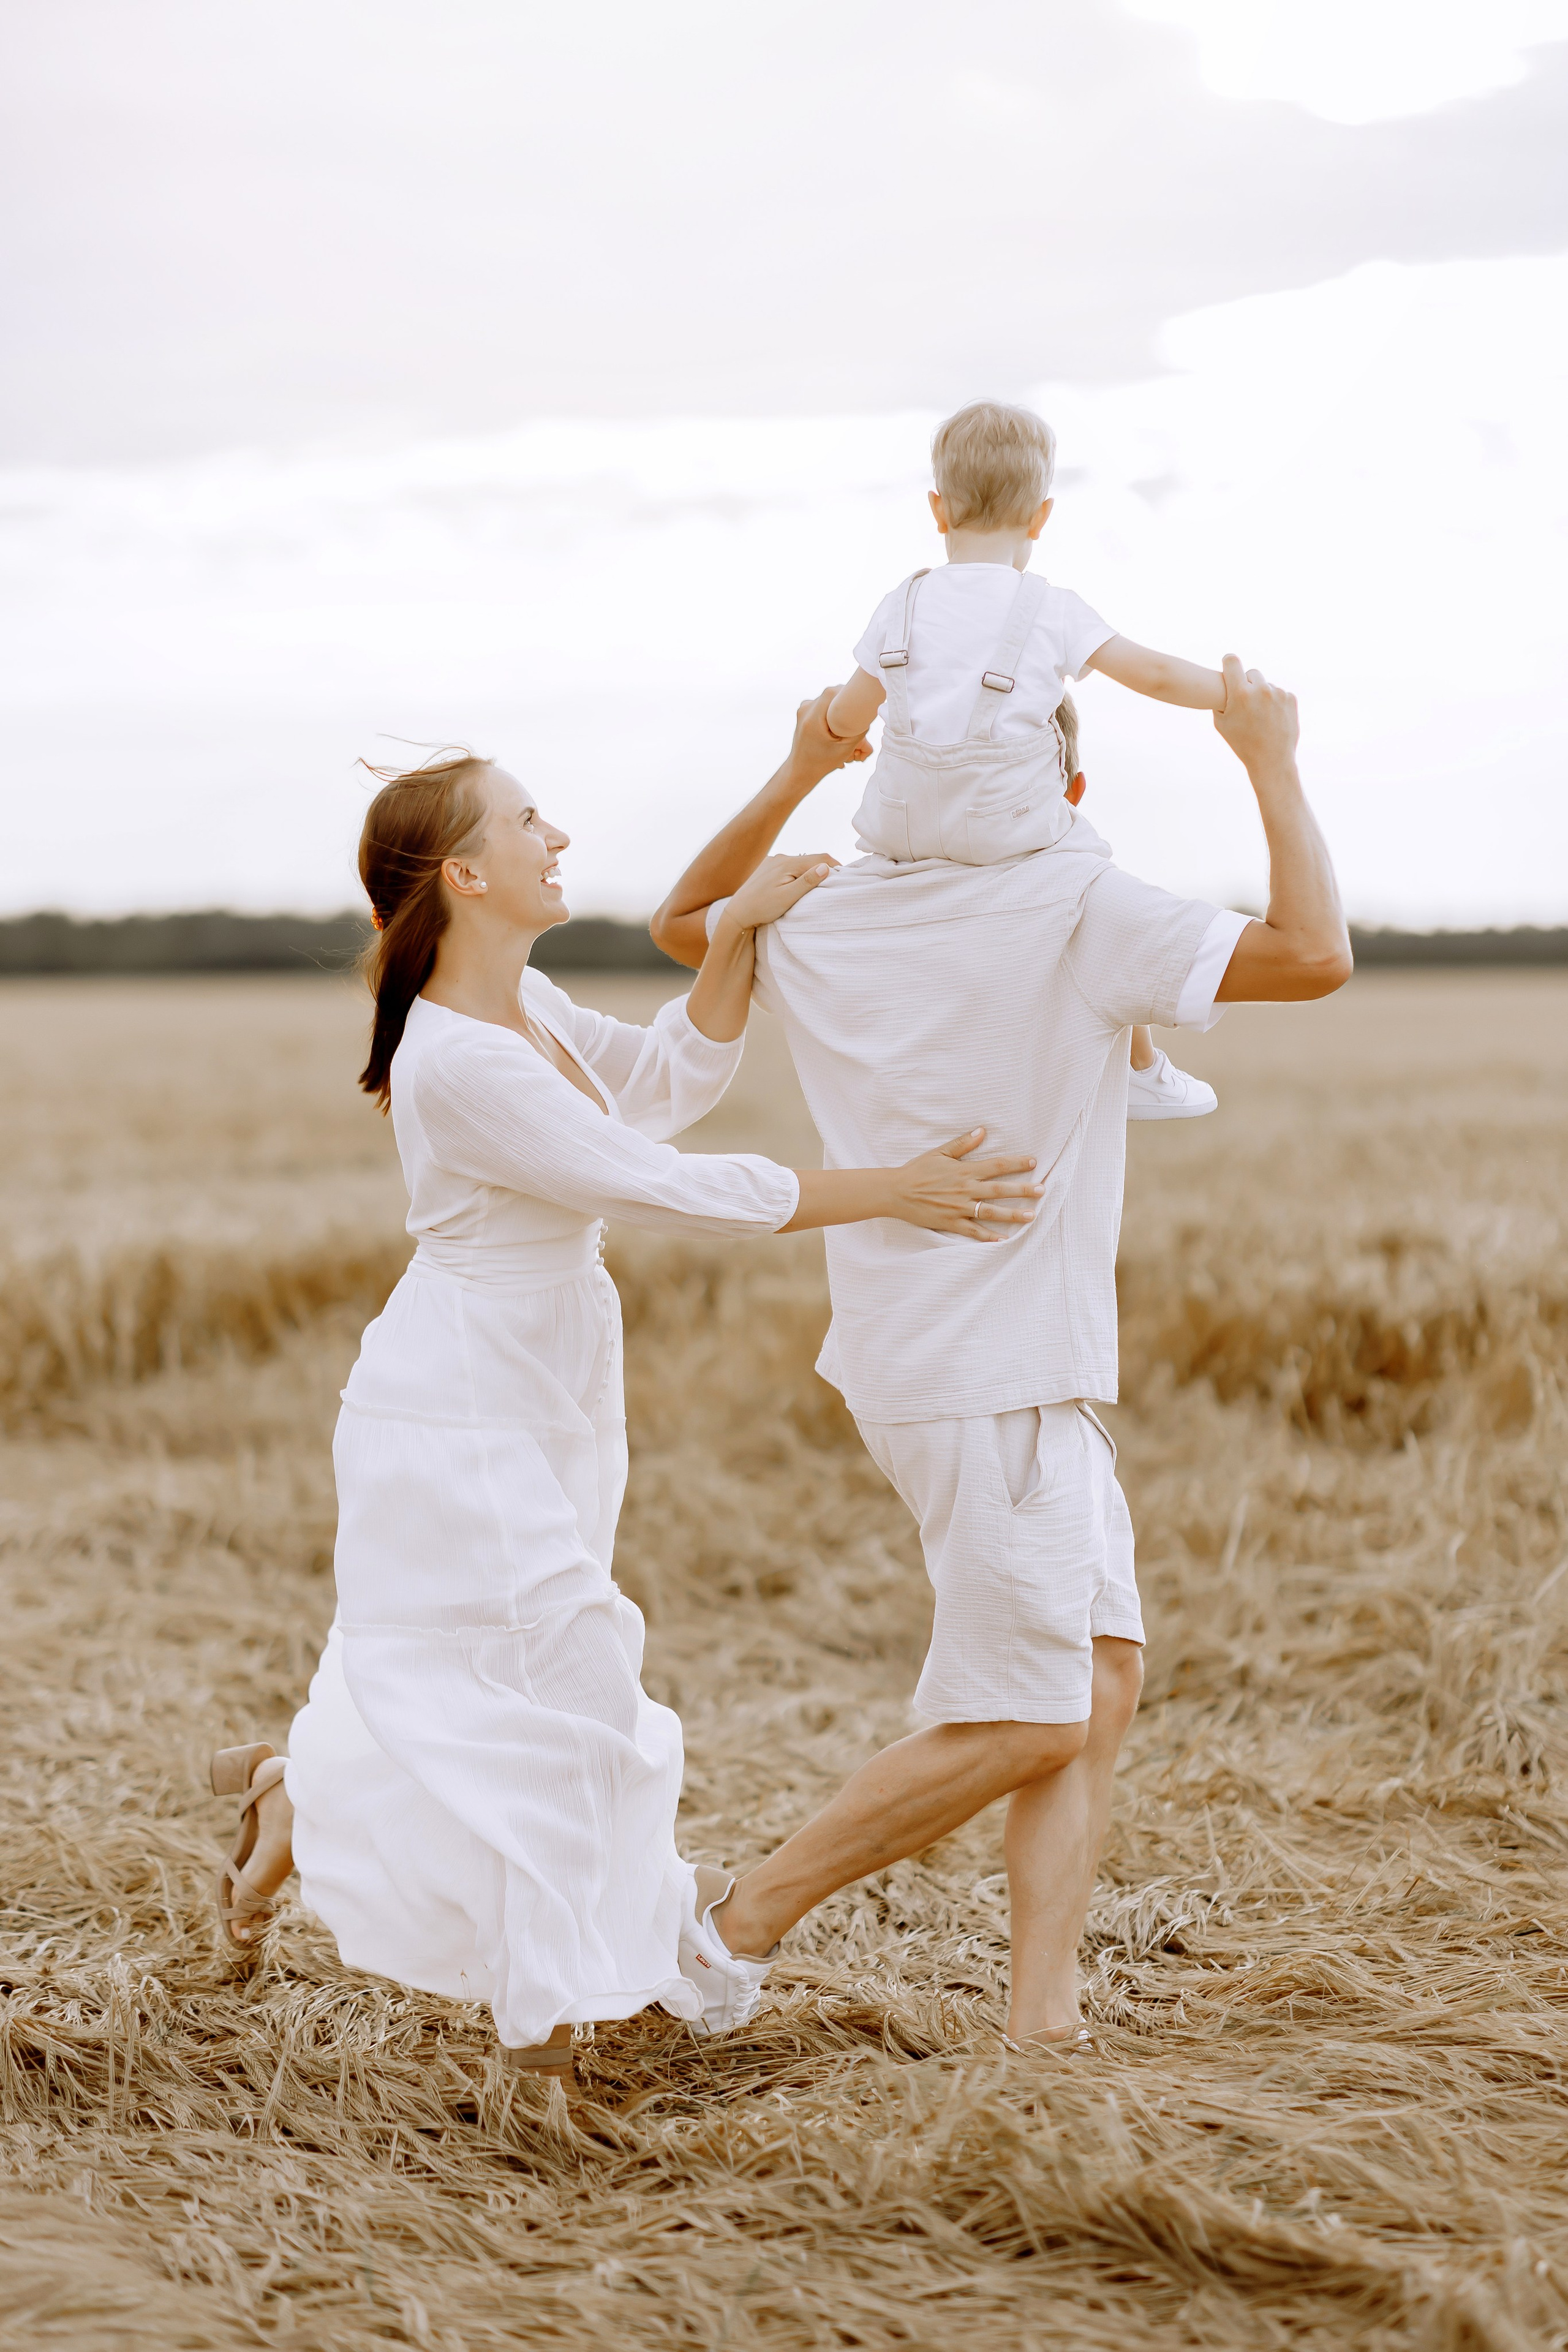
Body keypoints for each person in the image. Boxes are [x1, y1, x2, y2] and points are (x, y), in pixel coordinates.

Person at [209, 739, 1043, 2080]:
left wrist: (739, 939)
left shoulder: (524, 1003)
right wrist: (889, 1187)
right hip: (460, 1402)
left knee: (488, 1673)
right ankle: (543, 2063)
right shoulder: (456, 1063)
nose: (560, 836)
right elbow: (662, 1186)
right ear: (466, 874)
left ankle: (294, 1792)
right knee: (562, 1692)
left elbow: (657, 1089)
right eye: (530, 821)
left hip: (549, 1385)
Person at [651, 659, 1351, 2048]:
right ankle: (725, 1922)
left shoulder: (829, 911)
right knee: (1035, 1714)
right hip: (994, 1370)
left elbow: (687, 922)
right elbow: (1313, 954)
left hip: (974, 1361)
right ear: (1066, 792)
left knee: (1094, 1676)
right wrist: (1264, 754)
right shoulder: (1079, 906)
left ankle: (1043, 2019)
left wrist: (800, 767)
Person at [826, 399, 1223, 1121]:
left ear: (937, 509)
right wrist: (1233, 692)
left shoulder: (901, 604)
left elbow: (847, 713)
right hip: (1007, 828)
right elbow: (1157, 675)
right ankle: (1138, 1067)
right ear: (1041, 518)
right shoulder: (1051, 608)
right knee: (1091, 875)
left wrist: (841, 732)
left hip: (901, 831)